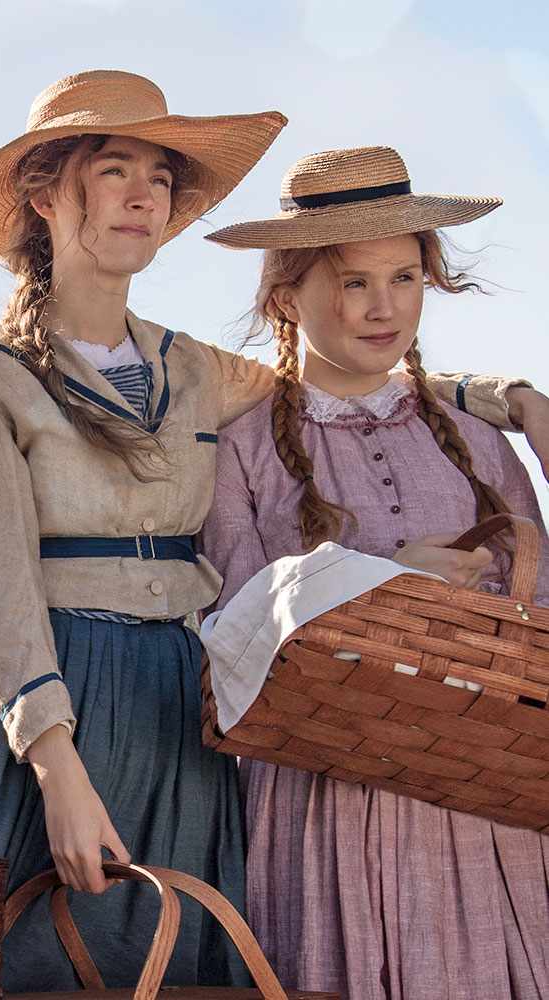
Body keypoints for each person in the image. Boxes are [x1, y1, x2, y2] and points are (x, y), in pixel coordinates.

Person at [0, 70, 549, 992]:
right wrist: (57, 768)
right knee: (34, 963)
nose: (142, 195)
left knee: (189, 965)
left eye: (159, 179)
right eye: (113, 169)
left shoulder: (194, 369)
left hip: (184, 702)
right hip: (49, 700)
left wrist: (506, 397)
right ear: (44, 196)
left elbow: (350, 378)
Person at [201, 145, 549, 1000]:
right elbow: (236, 629)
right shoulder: (241, 448)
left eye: (405, 277)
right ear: (289, 295)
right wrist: (379, 581)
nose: (384, 306)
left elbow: (539, 605)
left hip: (477, 792)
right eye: (354, 282)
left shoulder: (479, 441)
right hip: (323, 793)